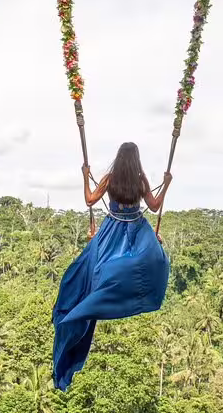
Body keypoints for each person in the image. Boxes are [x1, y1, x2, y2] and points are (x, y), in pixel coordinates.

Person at [52, 142, 172, 391]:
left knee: (87, 270)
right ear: (136, 160)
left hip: (112, 228)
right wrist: (167, 183)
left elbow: (89, 200)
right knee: (156, 260)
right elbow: (154, 206)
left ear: (118, 159)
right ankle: (122, 296)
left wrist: (85, 177)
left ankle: (89, 303)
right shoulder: (140, 180)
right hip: (137, 230)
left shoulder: (111, 178)